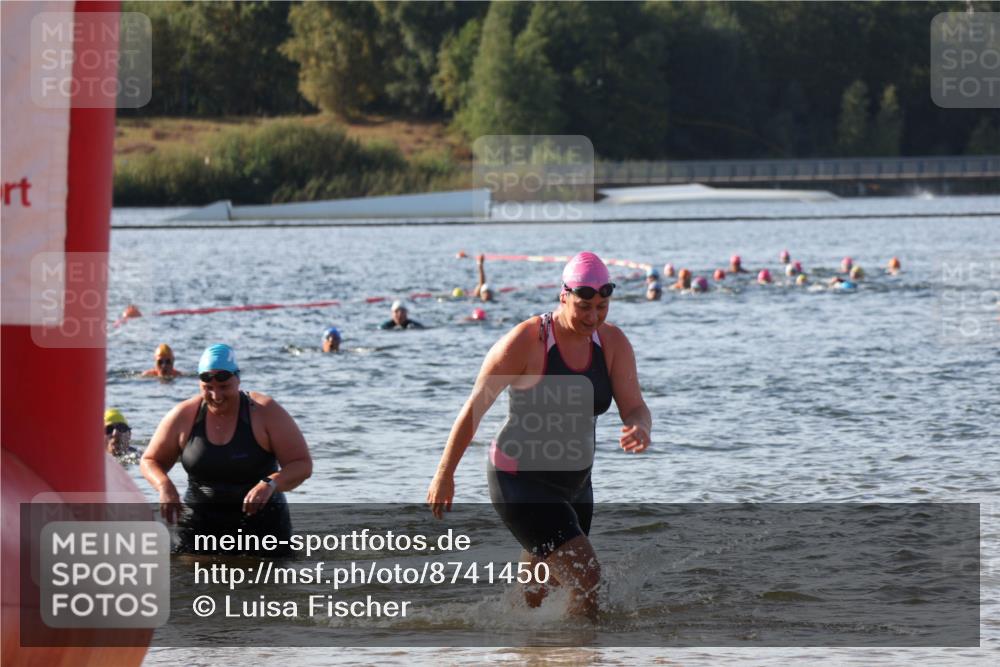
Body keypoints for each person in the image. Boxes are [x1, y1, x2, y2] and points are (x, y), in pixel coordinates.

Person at [427, 252, 652, 620]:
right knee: (588, 580)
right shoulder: (528, 341)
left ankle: (515, 647)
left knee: (538, 595)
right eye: (584, 306)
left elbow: (635, 407)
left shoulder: (612, 344)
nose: (593, 317)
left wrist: (641, 427)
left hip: (576, 487)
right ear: (564, 296)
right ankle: (583, 658)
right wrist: (444, 473)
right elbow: (474, 408)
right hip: (520, 481)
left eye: (602, 306)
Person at [140, 344, 312, 554]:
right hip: (199, 526)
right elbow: (150, 460)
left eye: (224, 387)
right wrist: (164, 486)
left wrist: (270, 482)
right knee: (188, 583)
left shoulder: (264, 412)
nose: (216, 395)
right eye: (208, 387)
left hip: (263, 528)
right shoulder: (184, 415)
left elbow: (302, 464)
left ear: (237, 379)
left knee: (266, 585)